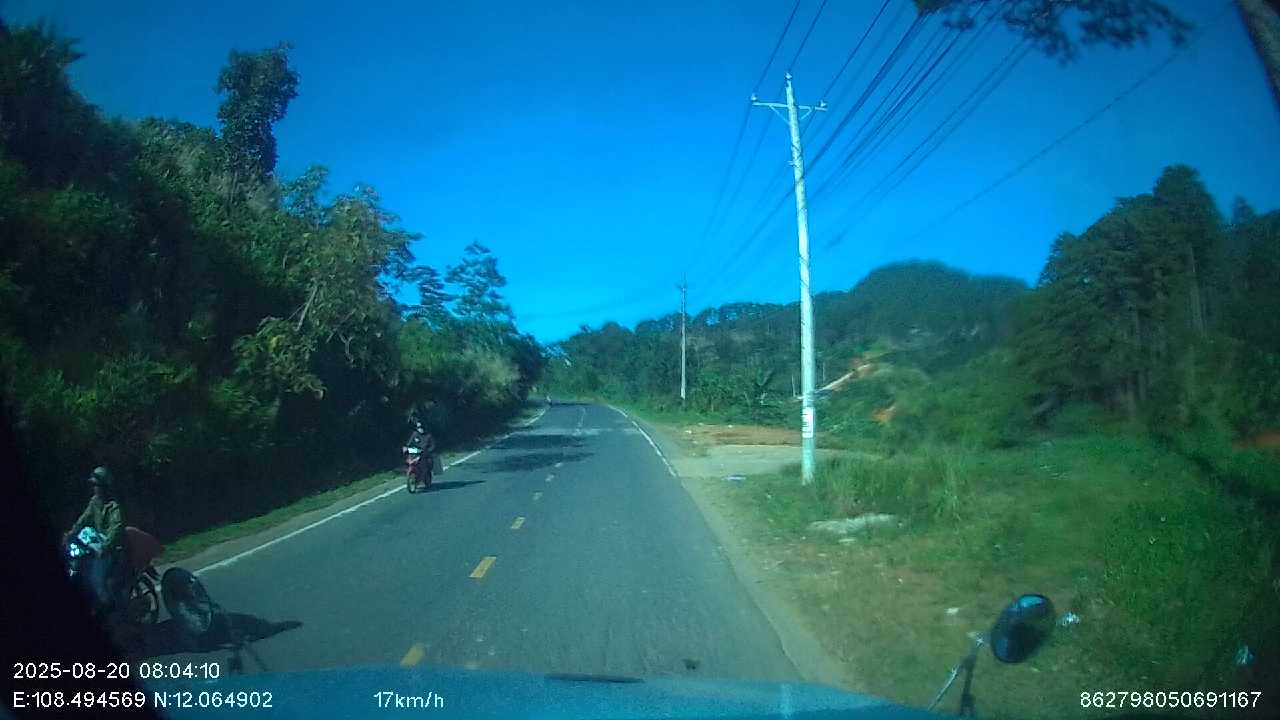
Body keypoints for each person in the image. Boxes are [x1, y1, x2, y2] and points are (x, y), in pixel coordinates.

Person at [65, 466, 126, 610]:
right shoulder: (94, 502)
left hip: (111, 549)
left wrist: (105, 547)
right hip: (97, 545)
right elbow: (83, 519)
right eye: (93, 485)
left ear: (105, 486)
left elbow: (116, 528)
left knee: (96, 579)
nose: (94, 488)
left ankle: (110, 607)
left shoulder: (114, 506)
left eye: (97, 485)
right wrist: (70, 534)